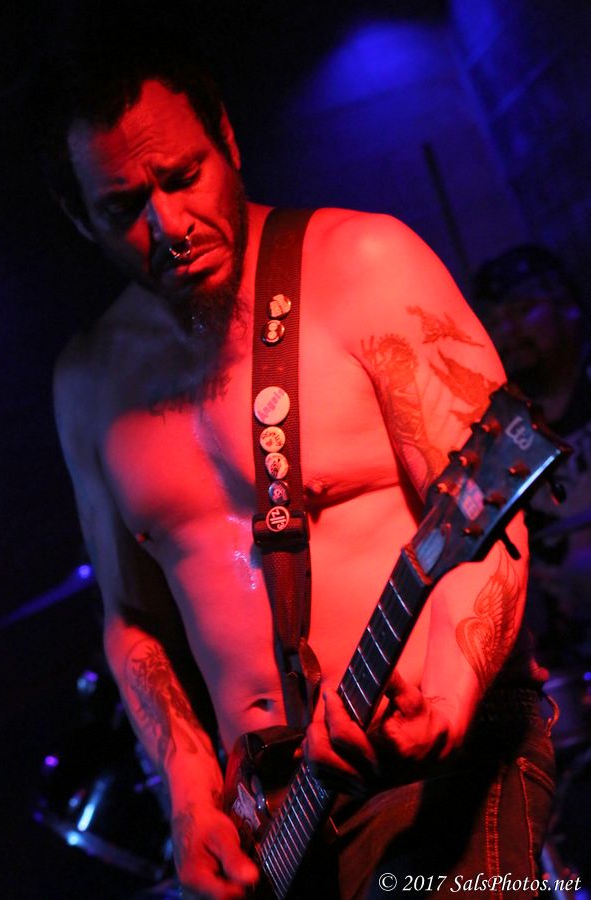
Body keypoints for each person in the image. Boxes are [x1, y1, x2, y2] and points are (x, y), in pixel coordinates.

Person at [37, 20, 554, 900]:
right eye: (124, 208)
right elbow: (134, 619)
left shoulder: (366, 265)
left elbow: (488, 525)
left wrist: (448, 695)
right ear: (78, 218)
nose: (169, 225)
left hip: (435, 768)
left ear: (228, 140)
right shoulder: (87, 381)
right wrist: (188, 798)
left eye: (184, 176)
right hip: (269, 828)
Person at [473, 246, 591, 668]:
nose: (508, 331)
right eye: (494, 321)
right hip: (564, 655)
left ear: (567, 306)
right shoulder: (498, 424)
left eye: (523, 311)